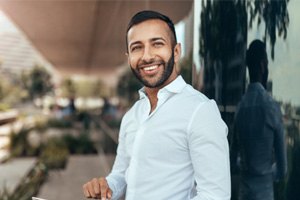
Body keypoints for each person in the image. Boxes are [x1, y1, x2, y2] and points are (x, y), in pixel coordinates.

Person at [83, 10, 231, 200]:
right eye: (137, 47)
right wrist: (104, 188)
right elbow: (121, 175)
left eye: (157, 44)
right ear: (129, 57)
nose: (147, 56)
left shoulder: (200, 111)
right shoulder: (132, 116)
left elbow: (215, 195)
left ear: (176, 51)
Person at [230, 40, 287, 200]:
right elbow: (282, 170)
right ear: (263, 65)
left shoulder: (240, 109)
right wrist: (265, 173)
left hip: (244, 194)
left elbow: (232, 161)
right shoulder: (272, 107)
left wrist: (248, 167)